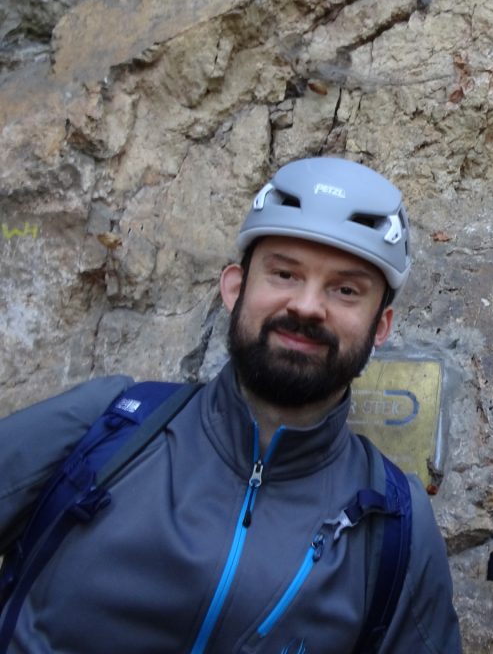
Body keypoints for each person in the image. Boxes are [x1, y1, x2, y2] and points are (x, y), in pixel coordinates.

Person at [0, 157, 462, 653]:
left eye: (345, 290)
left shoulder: (395, 522)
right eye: (284, 273)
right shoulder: (108, 425)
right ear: (235, 288)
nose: (307, 306)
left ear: (382, 326)